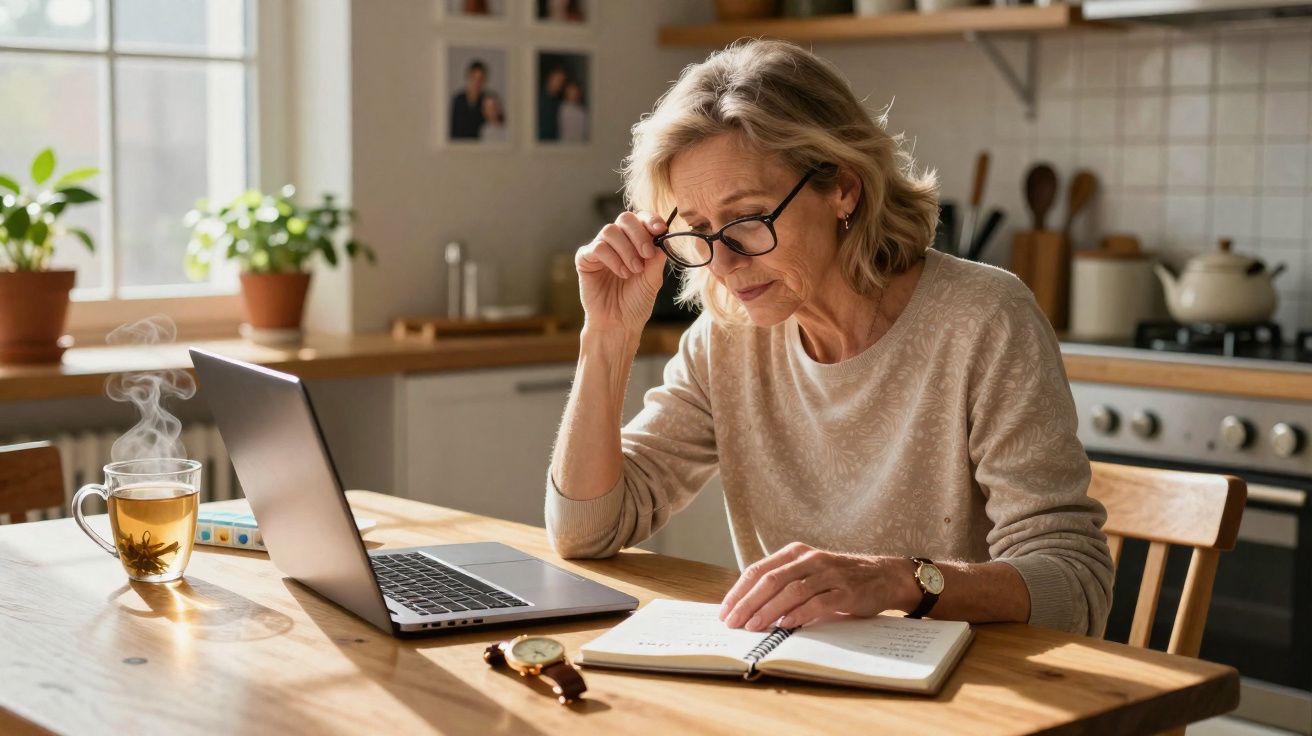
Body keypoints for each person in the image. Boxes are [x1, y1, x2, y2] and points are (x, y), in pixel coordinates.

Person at [546, 39, 1113, 637]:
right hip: (801, 691)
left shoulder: (984, 319)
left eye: (748, 220)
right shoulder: (728, 338)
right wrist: (606, 338)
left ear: (842, 186)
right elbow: (587, 532)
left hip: (969, 700)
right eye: (702, 231)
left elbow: (1074, 586)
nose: (724, 264)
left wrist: (900, 580)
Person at [450, 60, 487, 140]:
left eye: (480, 79)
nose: (477, 82)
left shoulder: (488, 101)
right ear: (468, 77)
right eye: (474, 78)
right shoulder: (458, 100)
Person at [537, 64, 567, 141]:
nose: (560, 84)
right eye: (558, 80)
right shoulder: (538, 98)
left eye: (562, 81)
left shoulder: (559, 102)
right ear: (550, 78)